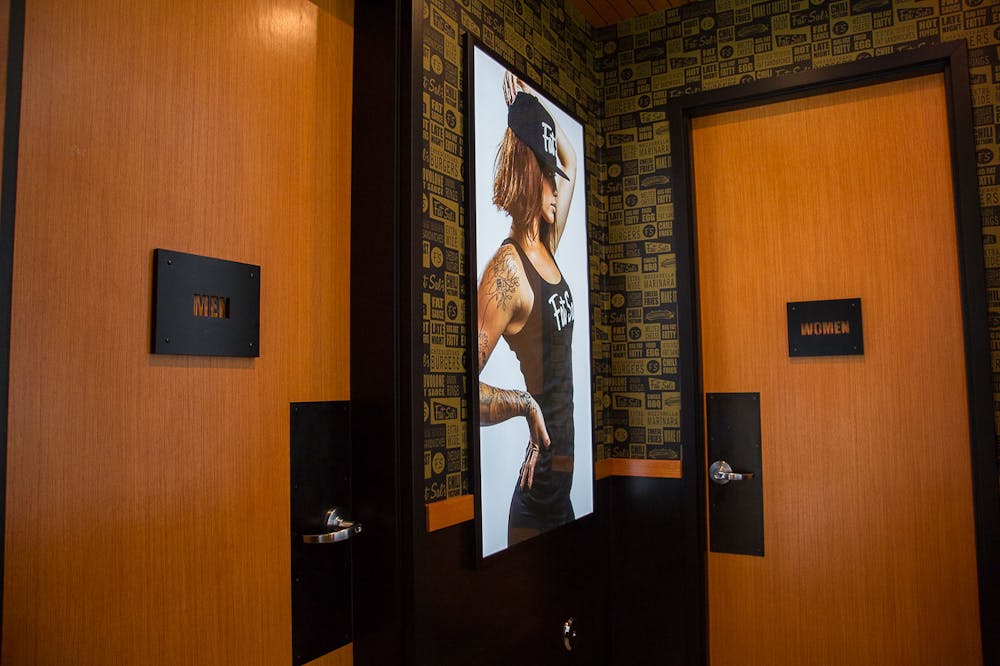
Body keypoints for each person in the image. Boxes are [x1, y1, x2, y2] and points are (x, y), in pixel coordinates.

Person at [477, 72, 578, 547]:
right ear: (530, 174)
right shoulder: (509, 270)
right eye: (549, 178)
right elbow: (461, 390)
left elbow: (571, 159)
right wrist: (524, 404)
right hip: (536, 500)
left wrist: (533, 111)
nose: (558, 189)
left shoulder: (548, 244)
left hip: (563, 490)